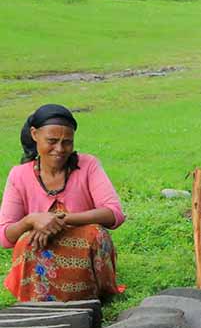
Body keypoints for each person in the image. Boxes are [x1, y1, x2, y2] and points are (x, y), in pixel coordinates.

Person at [0, 104, 125, 302]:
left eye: (67, 142)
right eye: (52, 141)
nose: (59, 149)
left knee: (96, 234)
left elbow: (114, 214)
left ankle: (91, 297)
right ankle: (38, 300)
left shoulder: (88, 165)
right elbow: (6, 236)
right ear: (34, 134)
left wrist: (60, 219)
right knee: (26, 240)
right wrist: (31, 220)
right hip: (43, 250)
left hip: (84, 251)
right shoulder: (19, 175)